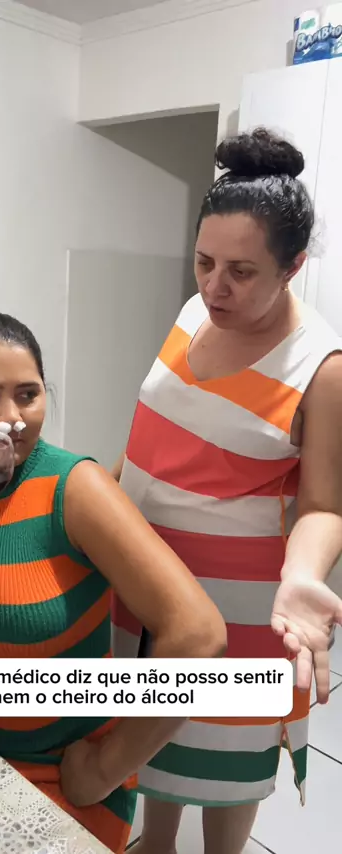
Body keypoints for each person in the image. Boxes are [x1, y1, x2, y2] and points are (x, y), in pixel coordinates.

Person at [0, 311, 227, 854]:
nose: (11, 418)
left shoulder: (77, 489)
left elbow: (200, 637)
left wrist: (104, 768)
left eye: (28, 395)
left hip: (59, 773)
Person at [111, 127, 342, 854]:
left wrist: (304, 576)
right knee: (152, 743)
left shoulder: (321, 366)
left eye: (242, 271)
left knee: (224, 762)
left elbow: (324, 504)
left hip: (239, 610)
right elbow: (153, 434)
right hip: (148, 585)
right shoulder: (195, 311)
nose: (215, 287)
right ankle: (155, 844)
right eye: (205, 262)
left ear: (293, 266)